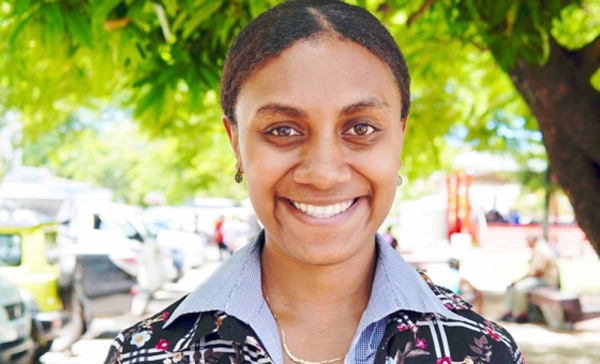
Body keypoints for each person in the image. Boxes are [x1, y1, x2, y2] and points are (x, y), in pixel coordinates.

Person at [104, 1, 524, 363]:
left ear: (400, 137)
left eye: (360, 128)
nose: (323, 174)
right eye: (283, 130)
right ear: (236, 142)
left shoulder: (483, 351)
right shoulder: (146, 353)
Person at [501, 233, 559, 323]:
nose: (527, 245)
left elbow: (538, 272)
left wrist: (521, 280)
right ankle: (510, 312)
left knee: (519, 288)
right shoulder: (538, 248)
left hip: (546, 281)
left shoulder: (541, 249)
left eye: (527, 242)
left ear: (532, 240)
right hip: (540, 278)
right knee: (512, 287)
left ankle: (520, 315)